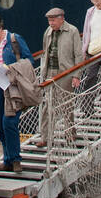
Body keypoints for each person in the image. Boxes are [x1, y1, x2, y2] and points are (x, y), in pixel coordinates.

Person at [0, 14, 34, 175]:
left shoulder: (14, 39)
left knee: (9, 123)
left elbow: (29, 60)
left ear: (0, 28)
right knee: (1, 126)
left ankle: (16, 159)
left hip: (12, 86)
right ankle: (7, 160)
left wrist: (9, 67)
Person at [34, 8, 83, 148]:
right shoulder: (48, 32)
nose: (51, 23)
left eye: (53, 20)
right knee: (47, 107)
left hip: (65, 74)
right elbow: (45, 52)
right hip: (50, 73)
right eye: (49, 20)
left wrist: (76, 75)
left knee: (66, 105)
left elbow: (78, 55)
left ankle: (70, 135)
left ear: (62, 18)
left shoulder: (72, 31)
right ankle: (46, 137)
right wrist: (43, 74)